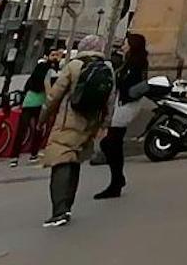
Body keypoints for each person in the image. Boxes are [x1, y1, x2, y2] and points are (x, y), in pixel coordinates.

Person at [40, 36, 115, 228]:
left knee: (61, 161)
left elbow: (55, 95)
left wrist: (43, 117)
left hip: (68, 121)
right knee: (74, 162)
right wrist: (104, 125)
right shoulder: (107, 67)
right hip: (90, 121)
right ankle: (67, 207)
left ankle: (59, 210)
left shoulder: (73, 66)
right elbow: (110, 100)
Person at [95, 33, 148, 200]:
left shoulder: (135, 64)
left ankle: (116, 181)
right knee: (113, 143)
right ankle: (117, 179)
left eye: (125, 43)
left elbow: (127, 83)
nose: (123, 45)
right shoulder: (129, 62)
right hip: (122, 104)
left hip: (126, 105)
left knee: (111, 142)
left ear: (132, 45)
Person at [13, 48, 63, 165]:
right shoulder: (48, 69)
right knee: (38, 128)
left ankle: (15, 157)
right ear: (47, 56)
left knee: (23, 129)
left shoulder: (39, 68)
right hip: (39, 102)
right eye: (53, 55)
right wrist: (51, 99)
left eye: (56, 55)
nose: (55, 57)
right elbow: (47, 85)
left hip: (29, 102)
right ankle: (33, 154)